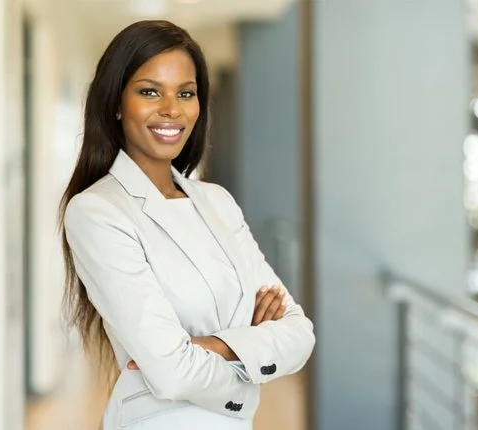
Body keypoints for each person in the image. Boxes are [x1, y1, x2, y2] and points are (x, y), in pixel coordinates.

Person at [59, 20, 315, 430]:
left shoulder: (217, 203)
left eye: (186, 93)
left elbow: (299, 333)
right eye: (149, 91)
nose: (171, 110)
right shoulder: (97, 212)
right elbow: (171, 370)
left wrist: (209, 346)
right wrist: (249, 354)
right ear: (116, 103)